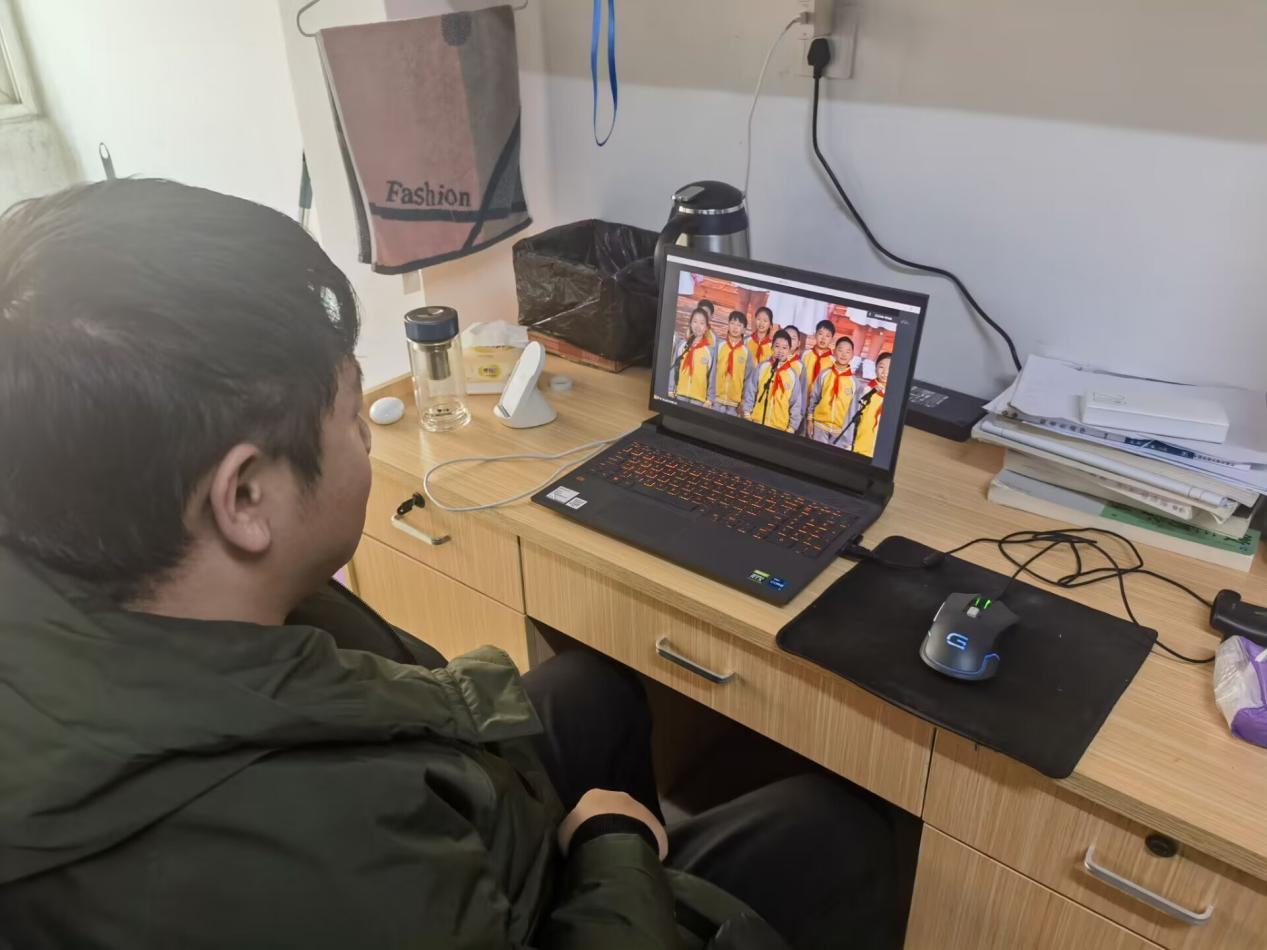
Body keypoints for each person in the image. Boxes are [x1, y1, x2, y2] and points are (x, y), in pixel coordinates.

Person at [0, 180, 897, 950]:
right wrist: (613, 851)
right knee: (838, 830)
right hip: (497, 887)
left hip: (463, 818)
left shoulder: (76, 557)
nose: (365, 436)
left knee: (594, 685)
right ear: (245, 498)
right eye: (350, 415)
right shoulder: (330, 861)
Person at [743, 330, 804, 434]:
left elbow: (796, 403)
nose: (780, 351)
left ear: (789, 350)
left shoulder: (792, 375)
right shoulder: (763, 367)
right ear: (772, 347)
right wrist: (747, 412)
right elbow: (751, 390)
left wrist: (792, 427)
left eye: (784, 348)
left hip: (780, 427)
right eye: (777, 346)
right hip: (757, 421)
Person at [806, 336, 861, 446]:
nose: (843, 354)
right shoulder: (824, 374)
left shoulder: (855, 383)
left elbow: (854, 412)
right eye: (840, 350)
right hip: (819, 426)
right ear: (834, 351)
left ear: (852, 355)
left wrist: (848, 437)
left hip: (840, 432)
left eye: (847, 352)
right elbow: (814, 398)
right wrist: (810, 419)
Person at [710, 310, 753, 416]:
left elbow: (748, 379)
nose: (735, 327)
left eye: (739, 325)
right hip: (716, 399)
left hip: (734, 404)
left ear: (744, 330)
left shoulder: (746, 352)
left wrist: (743, 400)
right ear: (728, 325)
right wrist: (710, 396)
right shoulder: (719, 346)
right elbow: (712, 371)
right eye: (732, 323)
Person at [669, 306, 714, 407]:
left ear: (706, 328)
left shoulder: (710, 351)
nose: (698, 326)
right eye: (695, 321)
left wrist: (710, 399)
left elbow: (711, 376)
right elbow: (674, 368)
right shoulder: (682, 345)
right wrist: (670, 389)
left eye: (702, 323)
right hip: (680, 394)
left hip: (699, 399)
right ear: (690, 323)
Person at [851, 351, 891, 458]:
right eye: (881, 367)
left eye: (890, 368)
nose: (885, 372)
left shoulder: (895, 396)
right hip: (861, 445)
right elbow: (852, 416)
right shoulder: (866, 390)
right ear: (875, 367)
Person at [805, 319, 837, 392]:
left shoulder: (833, 361)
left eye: (827, 336)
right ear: (815, 335)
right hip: (804, 393)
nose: (823, 338)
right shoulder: (806, 354)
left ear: (832, 339)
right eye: (820, 334)